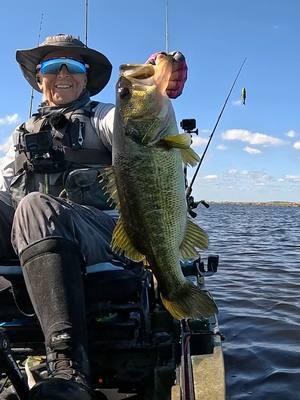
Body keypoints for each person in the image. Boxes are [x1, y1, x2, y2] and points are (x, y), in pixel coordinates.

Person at [0, 34, 187, 400]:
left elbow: (138, 129)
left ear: (87, 79)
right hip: (34, 237)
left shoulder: (103, 117)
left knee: (36, 206)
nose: (64, 73)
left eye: (76, 66)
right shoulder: (19, 135)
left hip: (105, 236)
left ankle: (68, 366)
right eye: (53, 66)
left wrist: (158, 88)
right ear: (40, 79)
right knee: (24, 206)